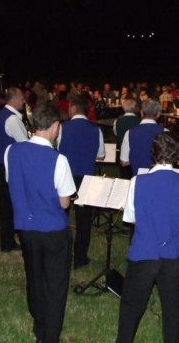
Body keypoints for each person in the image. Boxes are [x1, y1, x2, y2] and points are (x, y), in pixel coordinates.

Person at [4, 104, 76, 343]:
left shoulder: (11, 152)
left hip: (26, 229)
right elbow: (64, 203)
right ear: (55, 126)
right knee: (55, 285)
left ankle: (39, 325)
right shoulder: (59, 159)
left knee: (34, 278)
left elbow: (14, 183)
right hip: (53, 230)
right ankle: (50, 336)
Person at [116, 133, 179, 343]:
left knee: (131, 306)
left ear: (153, 153)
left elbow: (131, 217)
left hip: (144, 251)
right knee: (171, 307)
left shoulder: (138, 181)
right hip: (172, 254)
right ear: (178, 155)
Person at [57, 94, 105, 269]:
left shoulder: (62, 128)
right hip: (87, 178)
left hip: (66, 176)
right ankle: (80, 258)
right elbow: (101, 155)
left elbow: (58, 150)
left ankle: (61, 253)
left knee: (61, 215)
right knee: (83, 221)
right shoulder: (96, 130)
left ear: (73, 107)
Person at [0, 87, 29, 252]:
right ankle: (17, 238)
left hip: (2, 164)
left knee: (6, 205)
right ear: (14, 99)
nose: (24, 101)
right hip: (12, 166)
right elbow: (24, 144)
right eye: (22, 98)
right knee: (16, 203)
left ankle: (7, 241)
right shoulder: (12, 119)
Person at [120, 98, 164, 176]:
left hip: (138, 177)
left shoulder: (129, 133)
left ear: (141, 112)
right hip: (160, 177)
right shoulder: (165, 132)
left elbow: (124, 162)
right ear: (158, 114)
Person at [113, 98, 140, 179]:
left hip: (122, 154)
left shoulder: (117, 121)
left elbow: (116, 133)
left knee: (124, 178)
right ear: (135, 108)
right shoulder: (140, 121)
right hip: (136, 155)